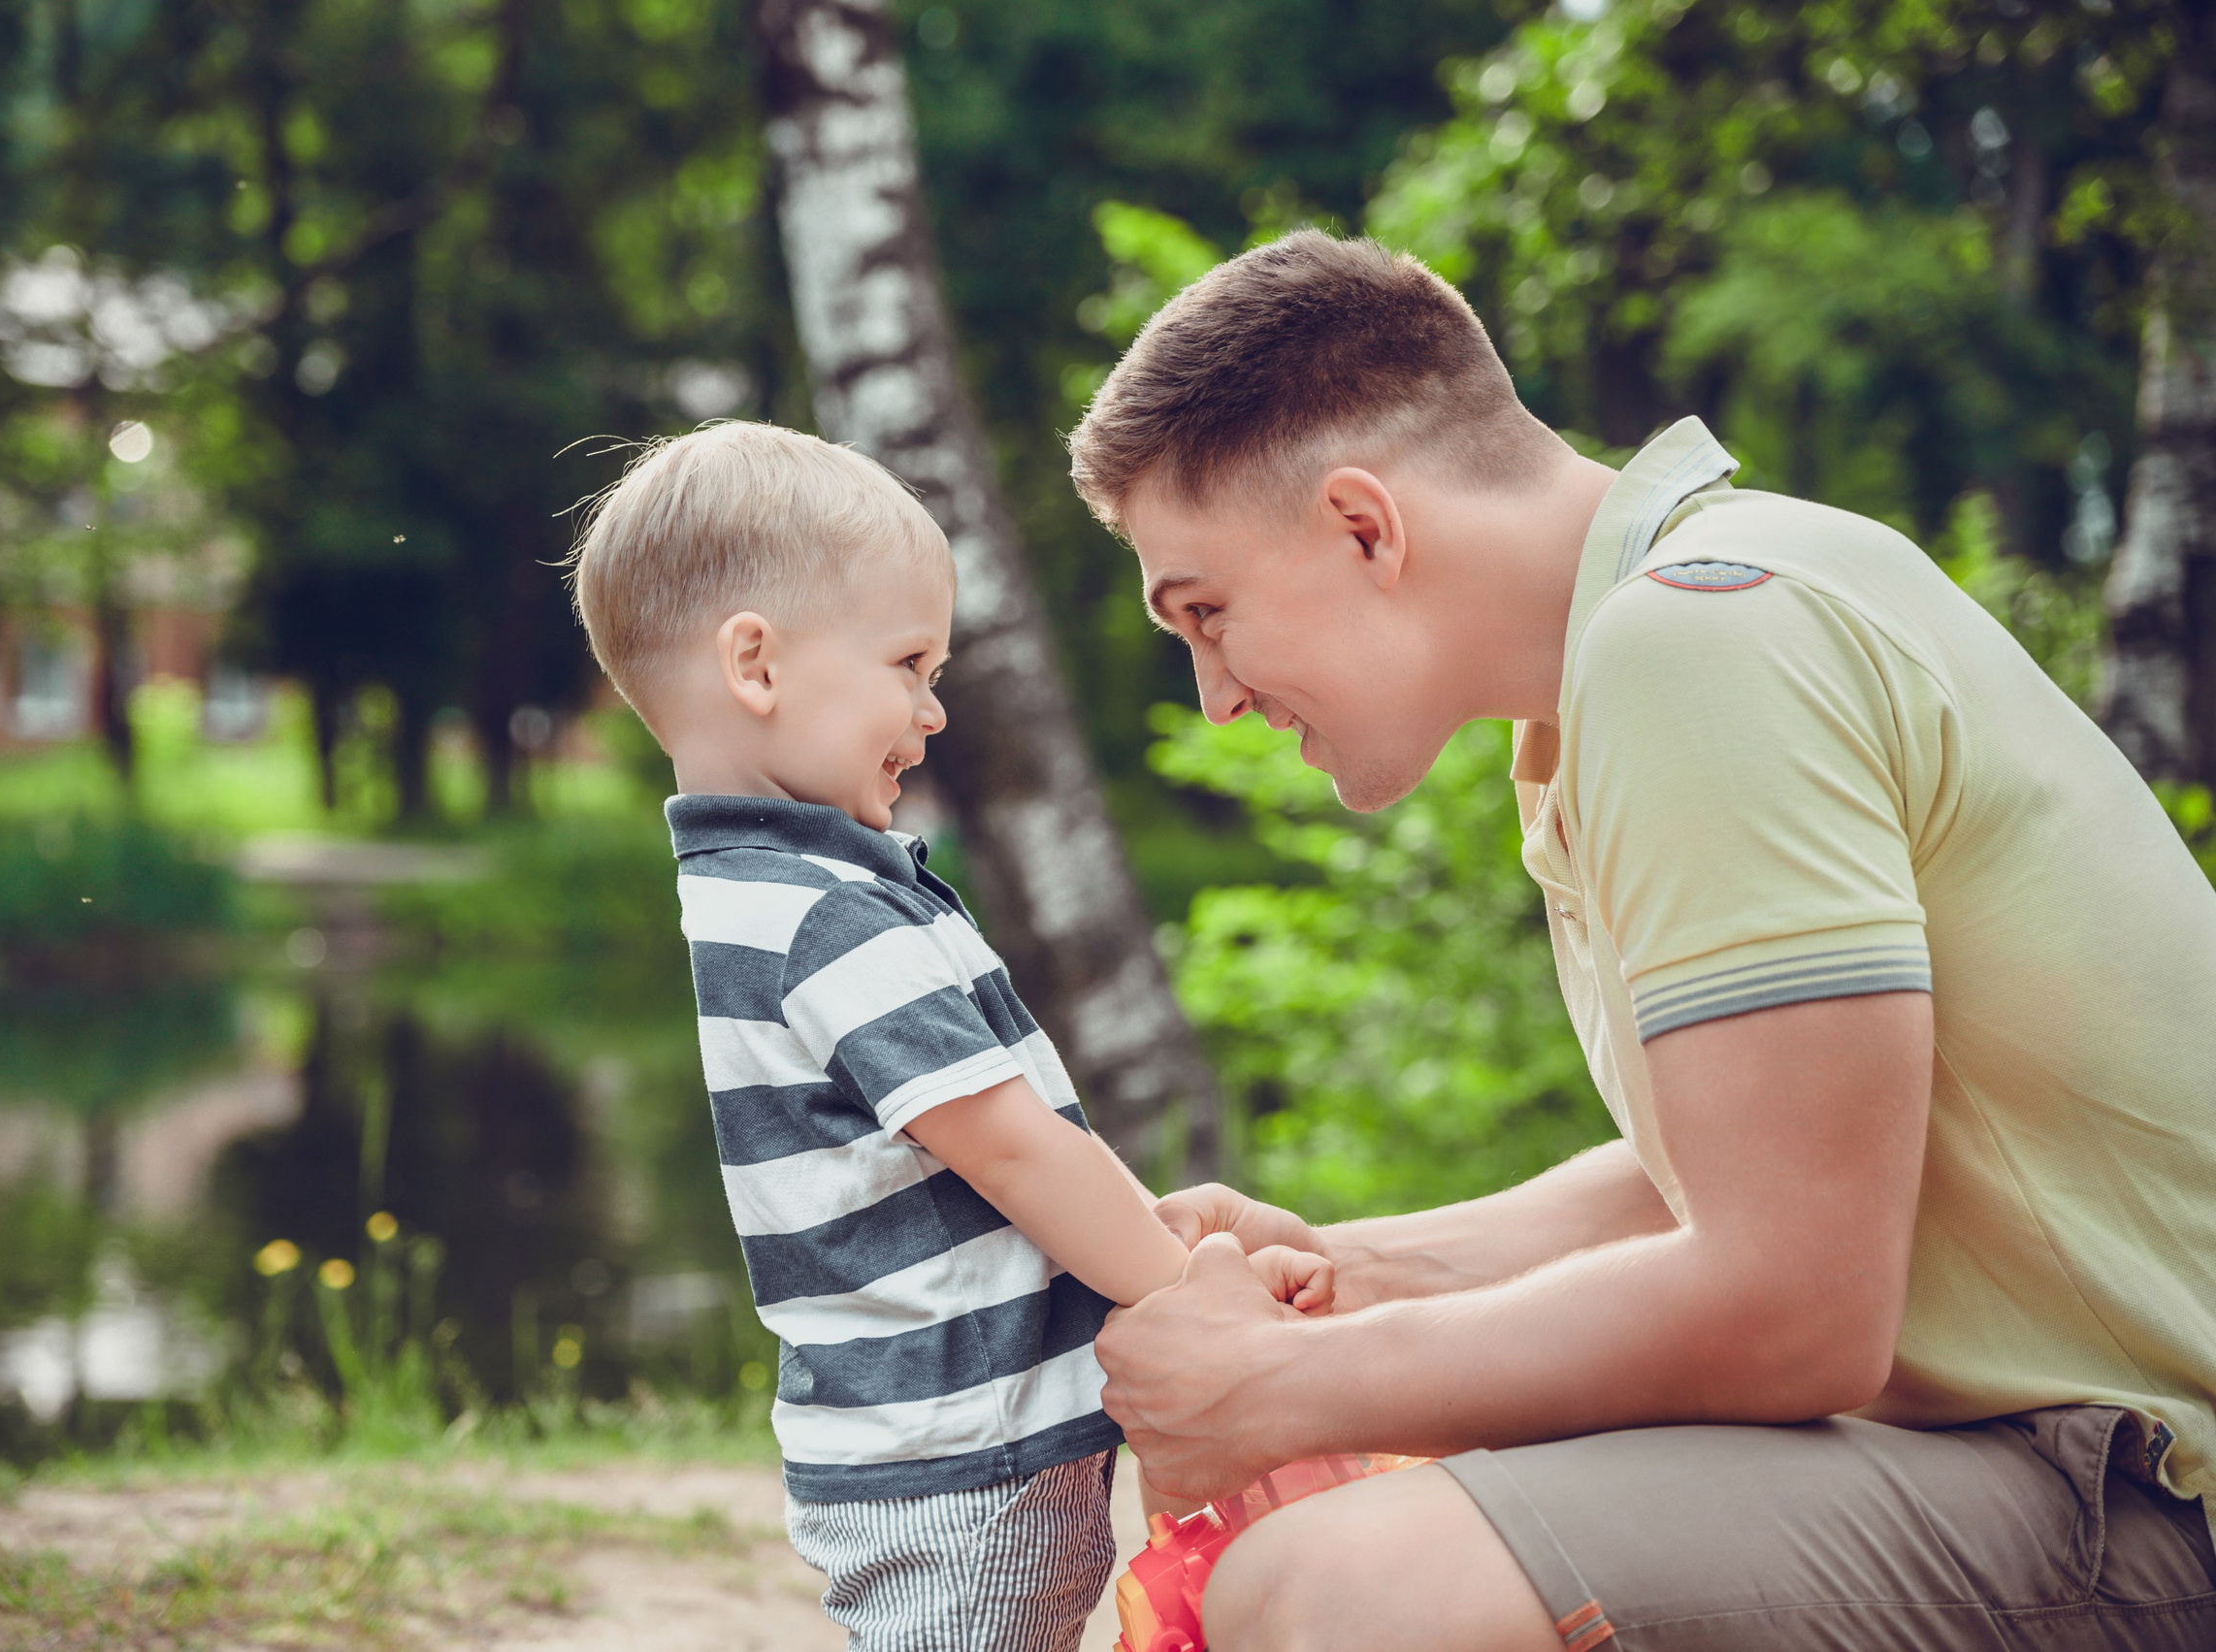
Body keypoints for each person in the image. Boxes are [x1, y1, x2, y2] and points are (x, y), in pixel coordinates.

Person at [1065, 230, 2216, 1652]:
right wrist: (1351, 1277)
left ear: (1365, 525)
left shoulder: (1703, 643)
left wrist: (1294, 1385)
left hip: (2155, 1494)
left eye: (1208, 611)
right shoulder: (1670, 635)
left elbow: (1797, 1305)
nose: (1217, 693)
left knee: (1344, 1584)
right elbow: (1765, 1149)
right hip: (2052, 1455)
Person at [565, 421, 1332, 1652]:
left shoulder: (805, 887)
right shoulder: (818, 916)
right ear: (755, 664)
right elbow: (1011, 1150)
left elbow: (1010, 1135)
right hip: (956, 1466)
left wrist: (1149, 1226)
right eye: (910, 662)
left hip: (967, 1439)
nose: (930, 709)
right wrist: (1196, 1299)